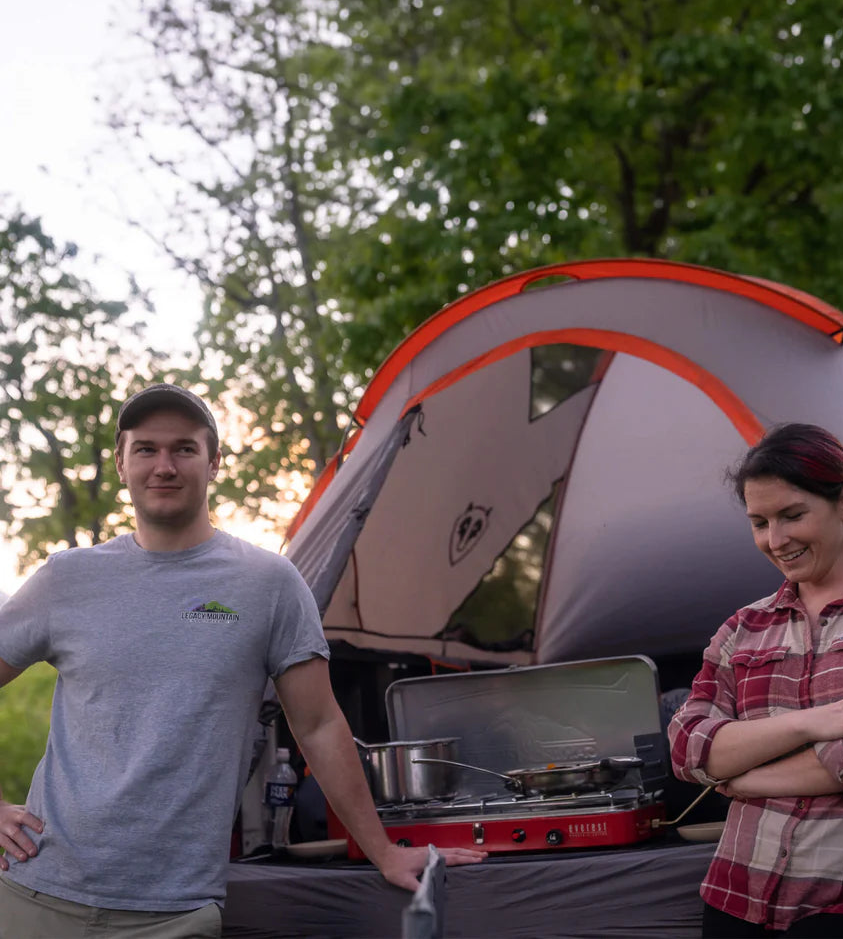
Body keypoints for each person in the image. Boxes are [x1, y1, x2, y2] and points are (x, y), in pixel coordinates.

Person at [0, 383, 486, 938]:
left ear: (214, 463)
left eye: (184, 448)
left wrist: (382, 851)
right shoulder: (67, 578)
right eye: (146, 449)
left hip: (176, 912)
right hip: (38, 892)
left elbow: (320, 725)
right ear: (121, 463)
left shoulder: (268, 584)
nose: (164, 465)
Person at [668, 423, 843, 939]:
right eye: (759, 523)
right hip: (737, 895)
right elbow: (688, 749)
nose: (775, 541)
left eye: (792, 515)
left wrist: (742, 776)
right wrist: (820, 721)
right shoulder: (742, 628)